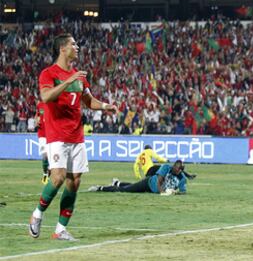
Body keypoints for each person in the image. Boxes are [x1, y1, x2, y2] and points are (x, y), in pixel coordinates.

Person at [29, 33, 118, 241]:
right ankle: (36, 215)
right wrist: (68, 80)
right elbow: (46, 96)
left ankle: (60, 229)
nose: (77, 47)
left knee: (74, 181)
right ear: (62, 48)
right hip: (56, 134)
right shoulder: (48, 73)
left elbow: (88, 101)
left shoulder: (80, 76)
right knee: (58, 176)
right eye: (73, 44)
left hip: (76, 135)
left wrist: (105, 106)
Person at [88, 160, 187, 195]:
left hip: (152, 191)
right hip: (148, 184)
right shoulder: (166, 167)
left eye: (181, 169)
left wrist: (176, 193)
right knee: (124, 190)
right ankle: (100, 188)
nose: (179, 171)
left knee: (132, 187)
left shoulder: (182, 178)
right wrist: (162, 193)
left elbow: (183, 191)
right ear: (174, 166)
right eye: (178, 168)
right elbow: (159, 181)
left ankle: (117, 182)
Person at [35, 100, 49, 185]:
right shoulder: (40, 104)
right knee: (44, 156)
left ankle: (51, 172)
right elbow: (37, 114)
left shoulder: (54, 104)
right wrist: (36, 120)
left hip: (52, 135)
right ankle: (45, 174)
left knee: (52, 157)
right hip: (42, 134)